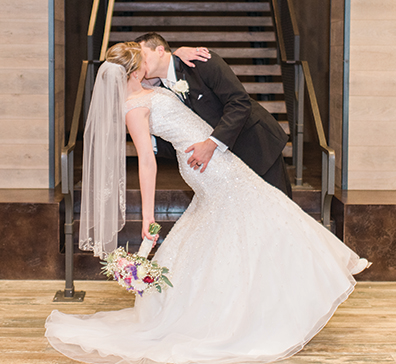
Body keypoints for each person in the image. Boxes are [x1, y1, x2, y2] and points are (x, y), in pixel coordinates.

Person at [45, 42, 370, 364]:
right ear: (135, 69)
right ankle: (251, 312)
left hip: (220, 159)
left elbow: (176, 76)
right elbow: (147, 161)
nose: (148, 55)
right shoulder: (132, 106)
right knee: (262, 214)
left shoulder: (149, 85)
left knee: (252, 219)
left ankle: (263, 303)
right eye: (142, 54)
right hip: (207, 166)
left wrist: (177, 53)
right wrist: (147, 218)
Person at [135, 32, 293, 198]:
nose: (139, 62)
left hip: (256, 145)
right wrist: (146, 141)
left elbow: (239, 102)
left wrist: (211, 144)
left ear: (160, 50)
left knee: (279, 208)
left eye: (142, 55)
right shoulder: (161, 92)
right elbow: (182, 137)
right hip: (224, 164)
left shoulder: (201, 62)